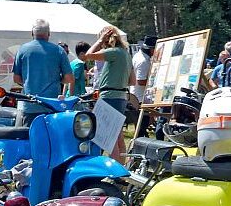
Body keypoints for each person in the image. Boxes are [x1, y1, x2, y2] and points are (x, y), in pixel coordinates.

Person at [84, 24, 133, 160]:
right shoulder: (126, 54)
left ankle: (114, 173)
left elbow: (88, 55)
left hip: (109, 97)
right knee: (118, 137)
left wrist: (99, 40)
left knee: (108, 139)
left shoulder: (114, 52)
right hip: (121, 96)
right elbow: (132, 81)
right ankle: (121, 170)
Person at [13, 18, 74, 125]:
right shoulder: (58, 50)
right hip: (52, 105)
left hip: (30, 105)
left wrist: (29, 82)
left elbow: (16, 78)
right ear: (49, 33)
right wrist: (58, 80)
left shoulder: (22, 50)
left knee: (31, 138)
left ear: (32, 33)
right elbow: (69, 78)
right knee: (53, 138)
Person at [130, 36, 156, 103]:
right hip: (140, 99)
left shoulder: (138, 55)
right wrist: (156, 82)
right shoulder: (143, 61)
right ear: (151, 49)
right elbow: (140, 81)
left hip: (137, 95)